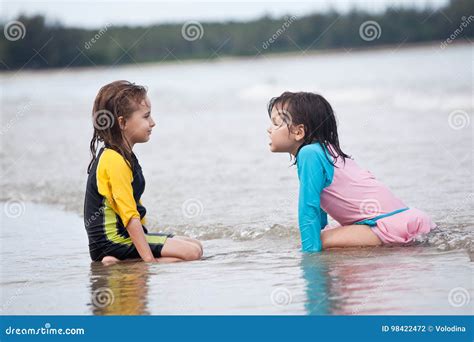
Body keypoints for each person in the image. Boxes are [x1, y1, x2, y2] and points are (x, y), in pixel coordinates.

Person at [266, 91, 435, 252]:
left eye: (275, 123)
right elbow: (318, 209)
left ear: (299, 132)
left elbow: (308, 209)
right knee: (322, 235)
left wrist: (310, 257)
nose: (269, 129)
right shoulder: (326, 150)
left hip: (387, 226)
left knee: (316, 242)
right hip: (409, 219)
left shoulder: (308, 154)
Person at [84, 80, 203, 264]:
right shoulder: (114, 160)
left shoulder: (124, 155)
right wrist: (149, 260)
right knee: (191, 253)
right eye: (146, 117)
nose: (153, 123)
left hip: (118, 240)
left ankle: (120, 261)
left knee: (196, 245)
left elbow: (136, 207)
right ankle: (121, 263)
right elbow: (130, 215)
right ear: (122, 122)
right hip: (111, 241)